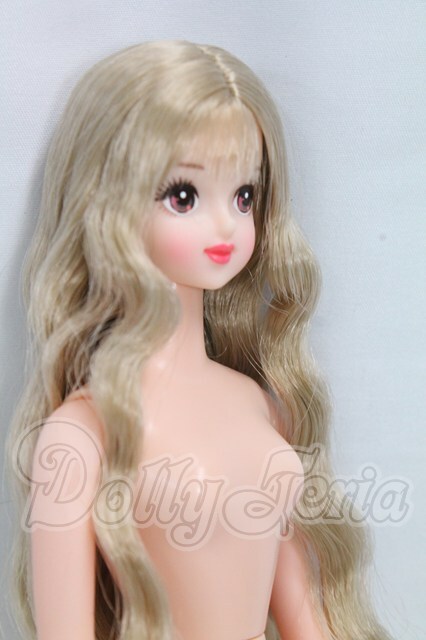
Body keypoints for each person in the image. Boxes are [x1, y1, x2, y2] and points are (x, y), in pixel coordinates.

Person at [6, 40, 392, 640]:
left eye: (244, 196)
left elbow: (301, 613)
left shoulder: (259, 401)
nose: (227, 225)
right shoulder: (80, 435)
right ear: (106, 203)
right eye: (183, 196)